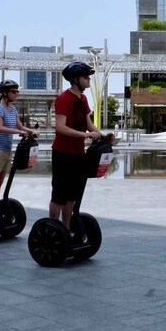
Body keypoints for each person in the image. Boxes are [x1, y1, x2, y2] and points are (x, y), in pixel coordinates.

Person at [50, 61, 103, 230]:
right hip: (63, 153)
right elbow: (60, 127)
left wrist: (102, 135)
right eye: (85, 77)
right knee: (59, 195)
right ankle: (53, 228)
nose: (88, 80)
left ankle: (65, 230)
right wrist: (85, 135)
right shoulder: (64, 99)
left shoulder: (83, 98)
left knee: (73, 196)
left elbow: (88, 124)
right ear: (75, 79)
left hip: (79, 153)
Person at [0, 80, 36, 205]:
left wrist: (31, 131)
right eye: (13, 91)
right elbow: (0, 127)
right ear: (5, 93)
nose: (16, 94)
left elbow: (20, 126)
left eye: (17, 91)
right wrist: (18, 131)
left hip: (6, 150)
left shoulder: (13, 109)